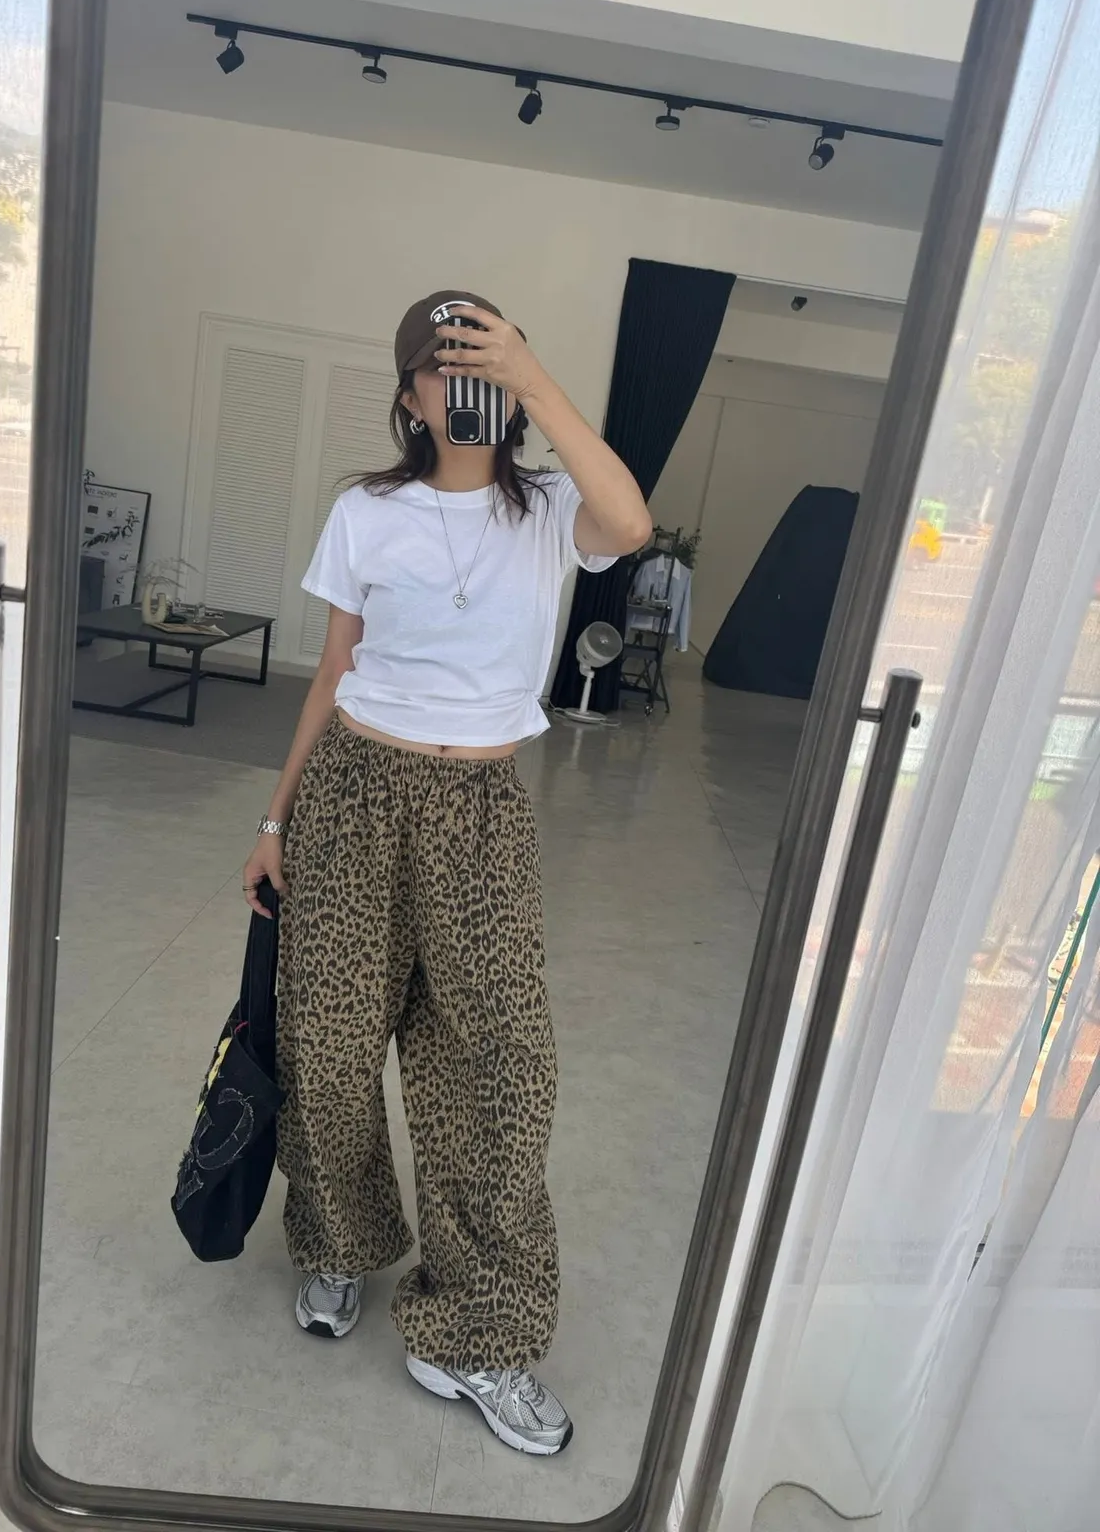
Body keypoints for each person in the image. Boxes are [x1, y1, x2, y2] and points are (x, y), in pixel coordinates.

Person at [241, 290, 651, 1456]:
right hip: (354, 792)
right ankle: (338, 1242)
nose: (462, 385)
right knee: (328, 1042)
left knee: (500, 1066)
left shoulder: (552, 508)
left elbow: (631, 522)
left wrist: (534, 378)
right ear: (410, 395)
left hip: (478, 811)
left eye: (483, 364)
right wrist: (274, 818)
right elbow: (334, 672)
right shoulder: (365, 511)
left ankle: (472, 1331)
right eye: (444, 365)